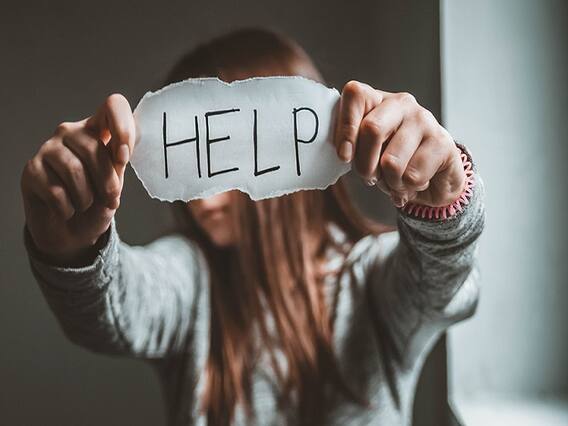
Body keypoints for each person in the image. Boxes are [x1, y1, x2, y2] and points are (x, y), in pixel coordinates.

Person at [20, 28, 485, 426]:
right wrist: (76, 245)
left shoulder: (371, 274)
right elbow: (112, 312)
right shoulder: (192, 278)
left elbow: (447, 283)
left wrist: (444, 198)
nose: (205, 201)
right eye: (194, 166)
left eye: (229, 161)